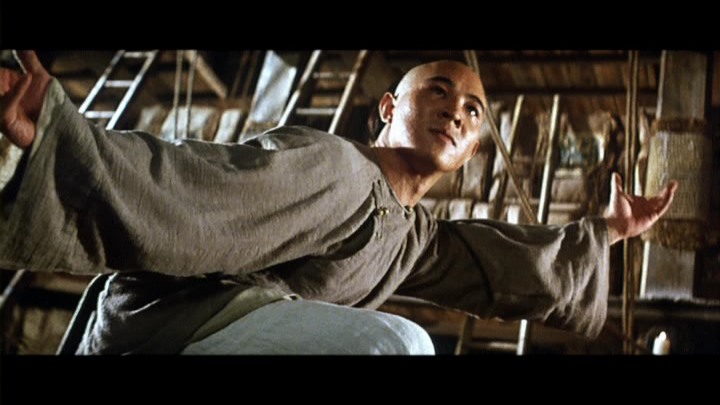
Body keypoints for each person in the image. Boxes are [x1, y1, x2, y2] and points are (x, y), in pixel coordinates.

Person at [0, 51, 678, 355]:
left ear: (472, 149)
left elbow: (490, 264)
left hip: (232, 338)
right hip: (169, 331)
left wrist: (605, 232)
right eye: (438, 91)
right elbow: (195, 189)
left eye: (473, 110)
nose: (456, 111)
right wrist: (59, 139)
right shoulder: (336, 168)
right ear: (388, 108)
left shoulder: (410, 237)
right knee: (399, 345)